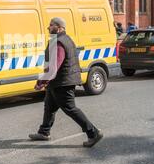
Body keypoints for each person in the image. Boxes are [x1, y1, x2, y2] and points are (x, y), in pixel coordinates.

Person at [28, 17, 103, 148]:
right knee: (49, 106)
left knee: (70, 108)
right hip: (58, 81)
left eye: (51, 25)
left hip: (63, 82)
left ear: (60, 28)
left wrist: (41, 81)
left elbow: (54, 66)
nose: (48, 28)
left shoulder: (59, 43)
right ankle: (44, 132)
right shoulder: (64, 39)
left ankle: (93, 133)